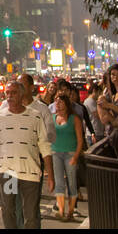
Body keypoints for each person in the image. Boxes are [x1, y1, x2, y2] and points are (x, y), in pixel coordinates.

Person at [0, 80, 54, 229]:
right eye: (7, 93)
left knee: (31, 214)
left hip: (30, 174)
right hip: (8, 173)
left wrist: (51, 175)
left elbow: (44, 146)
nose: (10, 96)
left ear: (22, 94)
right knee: (8, 210)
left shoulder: (35, 116)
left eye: (14, 92)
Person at [51, 91, 84, 221]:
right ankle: (61, 210)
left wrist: (76, 156)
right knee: (59, 183)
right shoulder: (53, 118)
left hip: (70, 153)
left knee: (71, 182)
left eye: (60, 101)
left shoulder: (74, 118)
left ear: (66, 104)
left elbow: (80, 139)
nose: (57, 104)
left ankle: (70, 211)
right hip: (56, 152)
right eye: (56, 101)